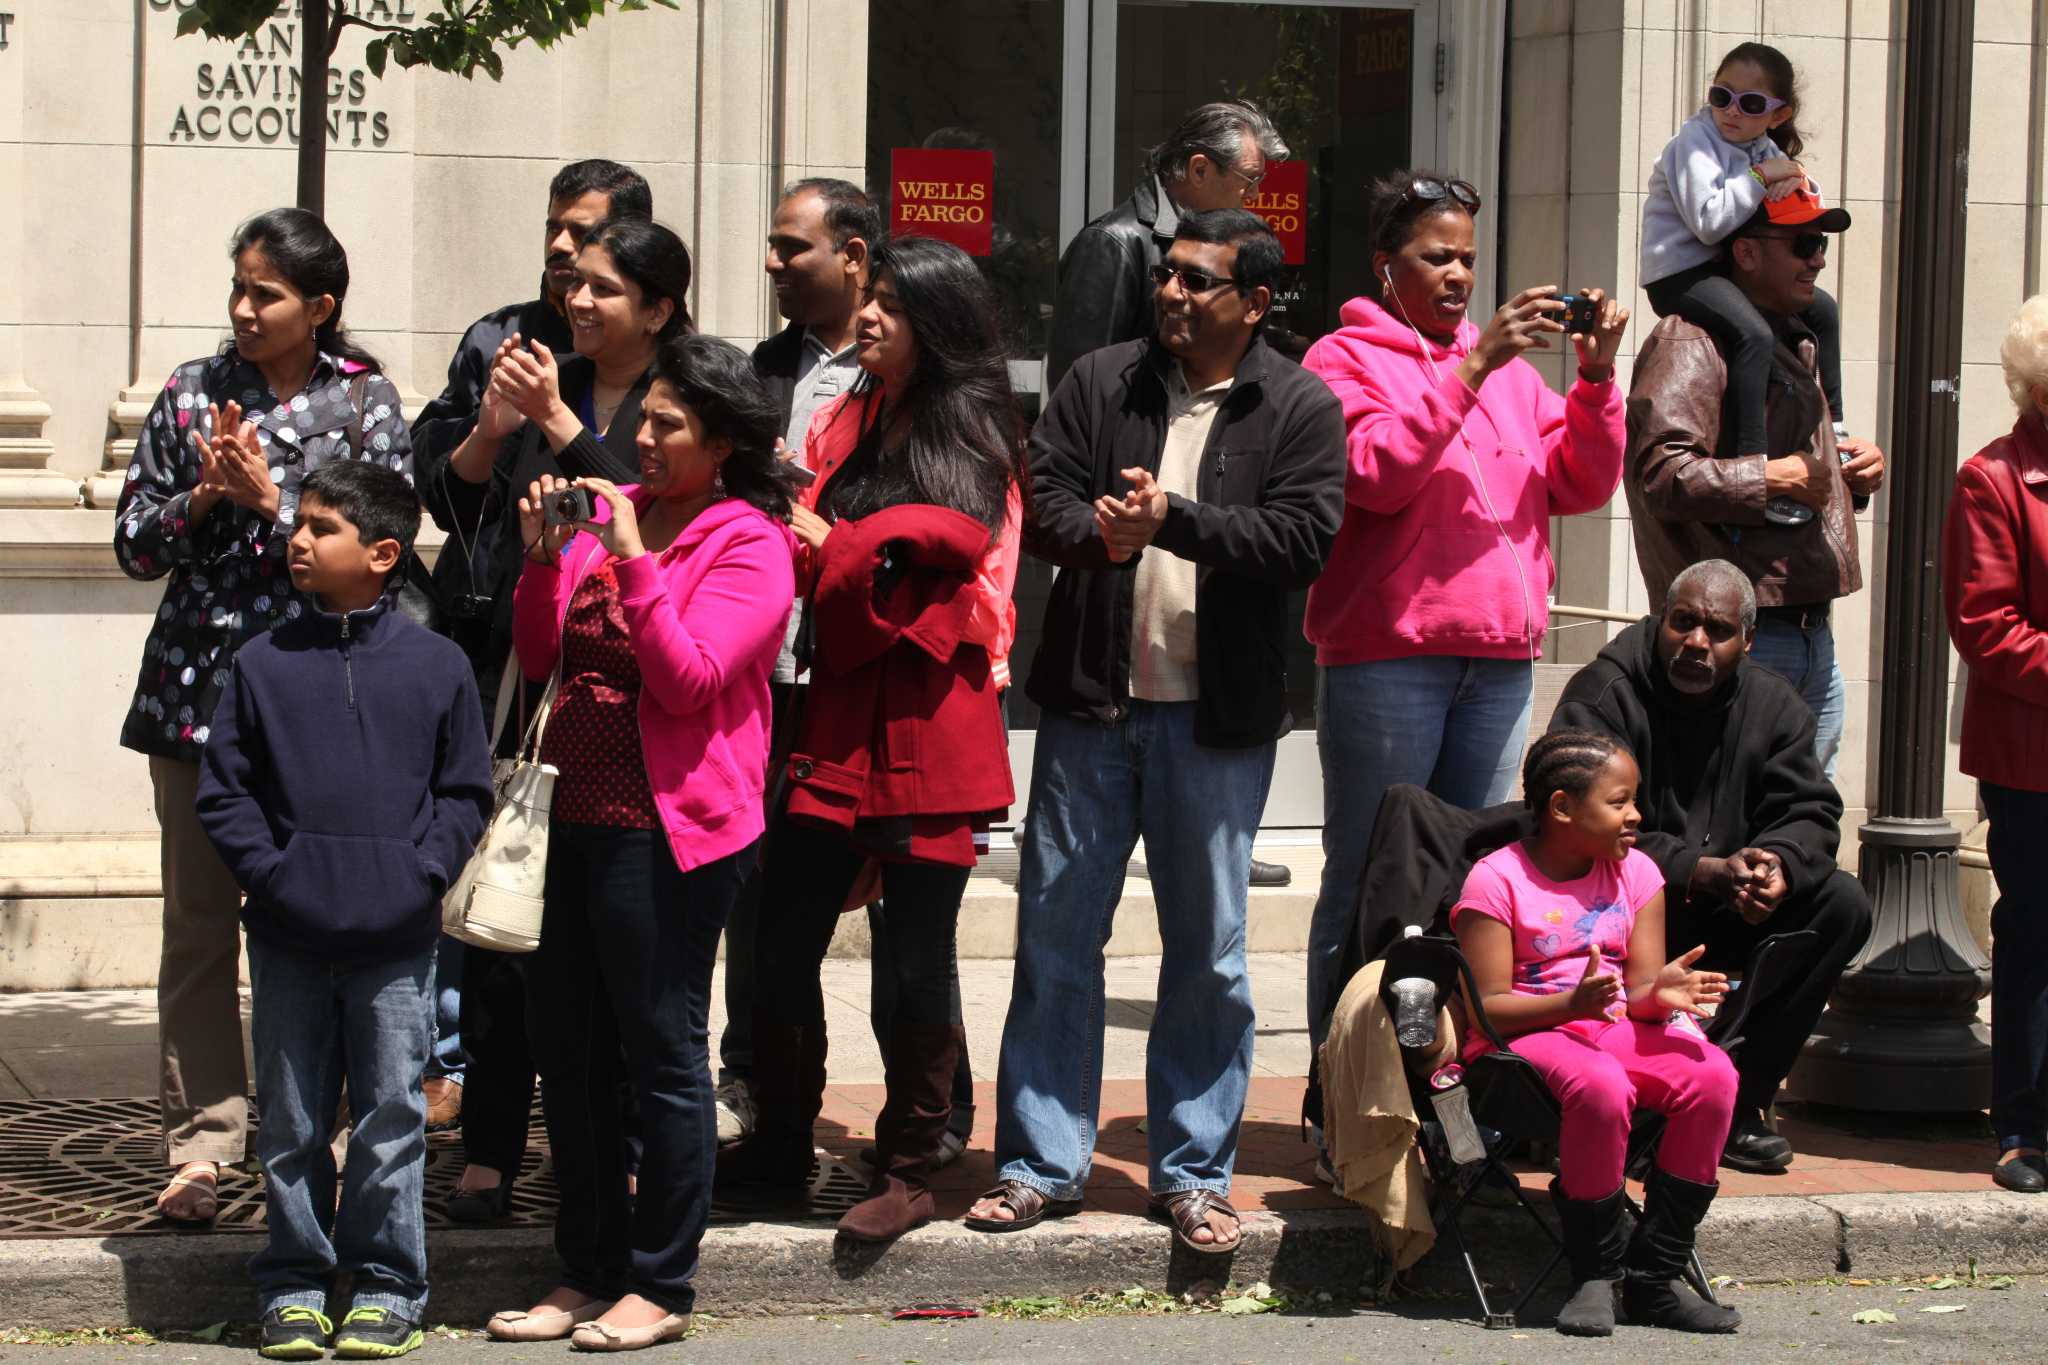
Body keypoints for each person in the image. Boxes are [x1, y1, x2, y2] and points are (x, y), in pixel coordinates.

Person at [967, 210, 1343, 1253]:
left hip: (1214, 722)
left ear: (1255, 302)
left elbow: (1303, 536)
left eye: (1197, 282)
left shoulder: (1296, 402)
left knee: (1209, 957)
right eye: (1166, 276)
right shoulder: (1103, 378)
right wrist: (1099, 531)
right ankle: (1040, 1164)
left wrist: (1173, 520)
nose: (1170, 294)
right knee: (1054, 938)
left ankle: (1189, 1173)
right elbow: (1038, 498)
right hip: (1090, 706)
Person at [487, 335, 801, 1349]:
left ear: (721, 443)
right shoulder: (610, 521)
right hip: (567, 826)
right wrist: (545, 563)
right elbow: (540, 657)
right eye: (645, 419)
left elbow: (690, 680)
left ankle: (661, 1282)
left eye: (669, 424)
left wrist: (631, 560)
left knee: (662, 1054)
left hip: (668, 837)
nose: (646, 438)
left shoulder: (746, 541)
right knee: (568, 1055)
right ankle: (584, 1266)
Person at [714, 235, 1025, 1245]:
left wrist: (838, 544)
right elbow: (853, 544)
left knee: (914, 957)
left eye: (890, 302)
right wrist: (846, 544)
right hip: (837, 705)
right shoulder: (855, 411)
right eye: (872, 298)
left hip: (928, 718)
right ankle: (777, 1145)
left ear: (933, 321)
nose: (871, 316)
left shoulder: (971, 422)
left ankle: (908, 1164)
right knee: (779, 937)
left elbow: (952, 556)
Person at [114, 207, 412, 1227]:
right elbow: (133, 544)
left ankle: (317, 1130)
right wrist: (202, 500)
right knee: (197, 925)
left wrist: (274, 501)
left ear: (319, 308)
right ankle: (201, 1143)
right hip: (195, 698)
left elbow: (387, 541)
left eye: (267, 294)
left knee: (319, 920)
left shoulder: (365, 401)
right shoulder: (192, 393)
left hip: (324, 700)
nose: (244, 311)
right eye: (237, 289)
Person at [1299, 168, 1629, 1061]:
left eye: (1468, 259)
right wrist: (1476, 368)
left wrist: (1596, 381)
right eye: (1435, 256)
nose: (1457, 275)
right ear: (1384, 265)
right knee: (1374, 876)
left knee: (1475, 881)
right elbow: (1378, 473)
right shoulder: (1342, 360)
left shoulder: (1516, 379)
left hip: (1497, 660)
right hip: (1389, 655)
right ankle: (1343, 1089)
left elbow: (1581, 482)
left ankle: (1447, 1079)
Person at [421, 212, 687, 1221]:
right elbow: (452, 506)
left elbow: (672, 516)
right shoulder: (539, 382)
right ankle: (489, 1148)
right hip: (528, 682)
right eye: (572, 284)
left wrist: (570, 432)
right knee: (505, 931)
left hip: (637, 702)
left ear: (657, 309)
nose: (576, 301)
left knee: (621, 958)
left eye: (603, 289)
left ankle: (620, 1152)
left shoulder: (680, 393)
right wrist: (495, 425)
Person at [195, 460, 492, 1360]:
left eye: (322, 527)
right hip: (287, 933)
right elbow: (225, 793)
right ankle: (292, 1280)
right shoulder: (259, 662)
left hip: (397, 940)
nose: (298, 539)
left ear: (382, 553)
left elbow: (465, 792)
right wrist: (274, 874)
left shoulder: (439, 666)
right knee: (287, 1119)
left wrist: (420, 873)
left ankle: (386, 1283)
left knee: (392, 1116)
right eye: (299, 523)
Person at [1548, 561, 1873, 1174]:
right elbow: (1577, 827)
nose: (1696, 642)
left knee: (1841, 903)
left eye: (1717, 630)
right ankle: (1641, 1109)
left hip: (1728, 904)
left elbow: (1810, 810)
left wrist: (1775, 864)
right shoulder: (1604, 694)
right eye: (1684, 623)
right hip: (1621, 908)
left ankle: (1736, 1104)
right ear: (1659, 620)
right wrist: (1702, 869)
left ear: (1746, 641)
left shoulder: (1773, 704)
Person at [1046, 100, 1294, 889]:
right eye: (1246, 178)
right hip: (1112, 540)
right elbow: (1077, 389)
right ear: (1196, 170)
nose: (1174, 294)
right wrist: (1104, 516)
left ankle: (1208, 832)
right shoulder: (1115, 245)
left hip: (1194, 584)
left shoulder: (1294, 395)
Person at [1453, 729, 1739, 1337]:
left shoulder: (1637, 873)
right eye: (1619, 801)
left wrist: (1659, 997)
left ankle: (1655, 1278)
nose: (1637, 814)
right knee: (1602, 1085)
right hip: (1519, 1041)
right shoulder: (1495, 880)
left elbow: (1635, 993)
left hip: (1608, 1025)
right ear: (1562, 808)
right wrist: (1569, 1002)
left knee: (1713, 1075)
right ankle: (1596, 1273)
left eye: (1635, 799)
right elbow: (1486, 1012)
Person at [1623, 191, 1884, 778]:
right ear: (1744, 251)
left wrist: (1854, 474)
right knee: (1725, 821)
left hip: (1807, 628)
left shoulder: (1796, 336)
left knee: (1797, 819)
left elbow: (1804, 475)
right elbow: (1661, 475)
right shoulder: (1691, 341)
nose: (1817, 261)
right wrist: (1770, 477)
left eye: (1821, 246)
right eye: (1803, 245)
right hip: (1738, 634)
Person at [1641, 41, 1852, 514]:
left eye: (1751, 104)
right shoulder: (1693, 143)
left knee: (1823, 309)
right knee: (1752, 334)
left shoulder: (1760, 146)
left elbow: (1800, 199)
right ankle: (1753, 460)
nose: (1732, 112)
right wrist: (1760, 176)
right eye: (1722, 96)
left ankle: (1835, 425)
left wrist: (1795, 174)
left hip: (1723, 267)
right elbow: (1710, 221)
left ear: (1778, 114)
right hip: (1680, 272)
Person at [1942, 294, 2048, 1194]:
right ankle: (2022, 1128)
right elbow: (1987, 626)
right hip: (2033, 759)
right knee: (2036, 935)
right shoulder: (1995, 479)